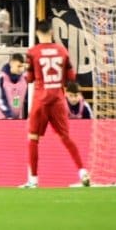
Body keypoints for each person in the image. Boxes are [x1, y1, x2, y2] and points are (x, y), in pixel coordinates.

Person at [21, 19, 90, 188]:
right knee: (65, 137)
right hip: (58, 100)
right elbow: (71, 78)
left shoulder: (33, 52)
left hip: (40, 100)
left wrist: (25, 70)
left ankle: (33, 180)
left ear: (37, 33)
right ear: (51, 32)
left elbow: (29, 79)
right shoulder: (62, 50)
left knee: (33, 138)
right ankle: (82, 171)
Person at [0, 53, 28, 120]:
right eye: (18, 66)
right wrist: (9, 115)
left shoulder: (24, 78)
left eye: (22, 66)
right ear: (11, 63)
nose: (21, 69)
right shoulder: (1, 78)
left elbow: (27, 96)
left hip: (16, 118)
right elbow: (0, 99)